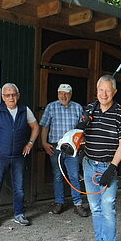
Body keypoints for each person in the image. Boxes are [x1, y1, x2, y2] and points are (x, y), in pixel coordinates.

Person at [79, 75, 121, 241]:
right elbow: (78, 135)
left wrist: (112, 168)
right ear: (97, 90)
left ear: (114, 92)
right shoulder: (89, 109)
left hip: (108, 166)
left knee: (108, 208)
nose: (104, 94)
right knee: (95, 208)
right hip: (89, 164)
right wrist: (81, 125)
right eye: (101, 90)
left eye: (108, 90)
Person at [0, 83, 39, 227]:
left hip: (18, 155)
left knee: (19, 188)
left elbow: (35, 127)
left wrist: (30, 143)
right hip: (0, 155)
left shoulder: (25, 110)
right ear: (3, 97)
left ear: (18, 96)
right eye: (7, 95)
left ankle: (19, 214)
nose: (11, 97)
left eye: (13, 94)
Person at [39, 83, 89, 217]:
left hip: (72, 148)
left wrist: (82, 143)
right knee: (58, 175)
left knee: (74, 175)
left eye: (66, 93)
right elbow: (44, 126)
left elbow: (82, 128)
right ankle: (59, 202)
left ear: (71, 94)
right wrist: (44, 143)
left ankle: (78, 204)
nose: (63, 96)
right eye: (61, 93)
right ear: (57, 93)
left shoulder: (77, 107)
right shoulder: (51, 107)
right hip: (56, 148)